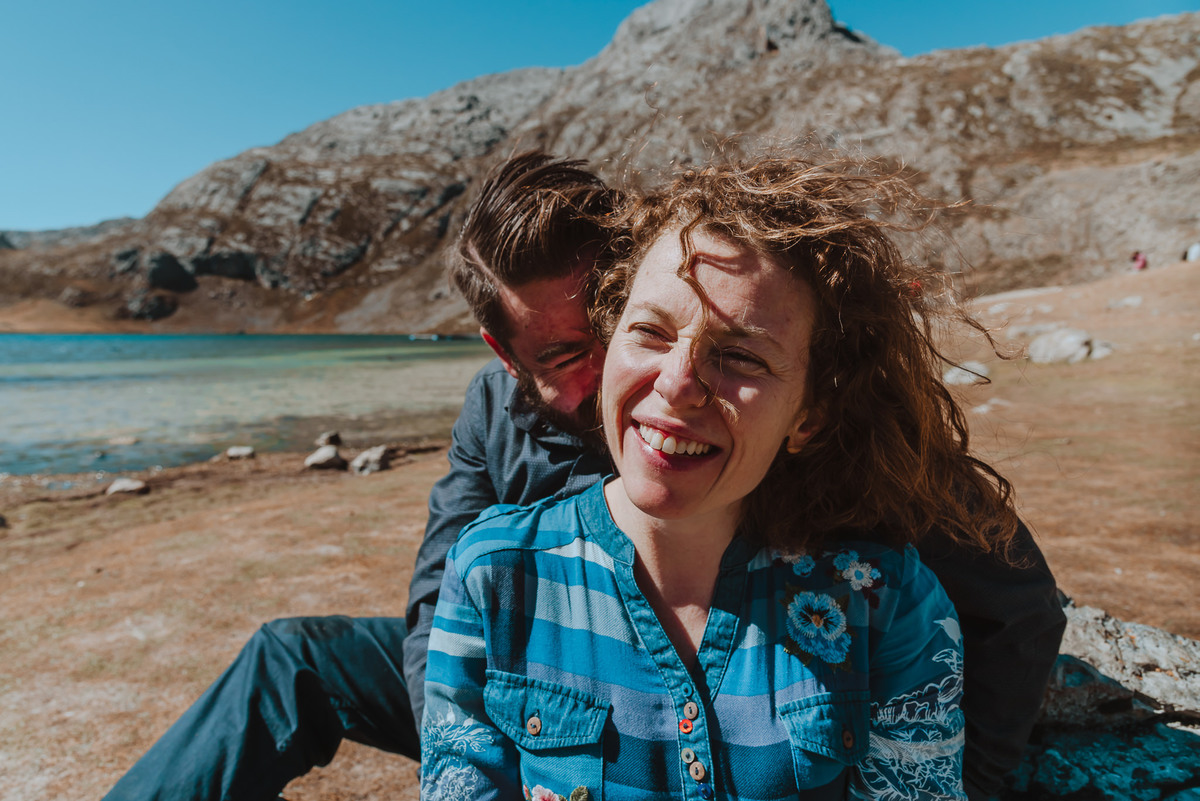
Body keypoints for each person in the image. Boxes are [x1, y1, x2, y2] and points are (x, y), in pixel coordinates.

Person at [104, 152, 1064, 800]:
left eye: (622, 319)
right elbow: (444, 590)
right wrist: (470, 721)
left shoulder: (786, 417)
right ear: (502, 348)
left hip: (766, 674)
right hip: (533, 666)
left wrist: (956, 776)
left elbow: (1015, 605)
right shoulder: (494, 414)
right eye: (567, 352)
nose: (641, 375)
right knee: (292, 655)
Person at [421, 153, 1027, 798]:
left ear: (812, 415)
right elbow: (441, 619)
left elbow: (1014, 607)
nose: (672, 386)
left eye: (739, 355)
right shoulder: (493, 557)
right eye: (644, 331)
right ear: (508, 358)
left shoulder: (885, 585)